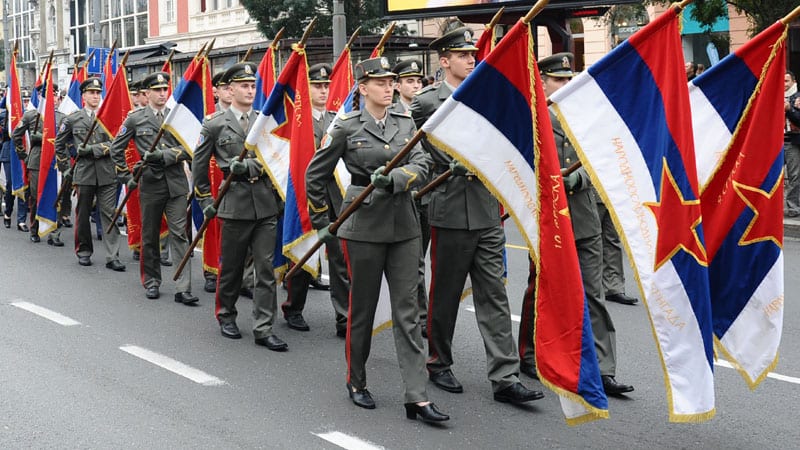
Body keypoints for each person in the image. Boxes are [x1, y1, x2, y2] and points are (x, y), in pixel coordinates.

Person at [305, 57, 448, 423]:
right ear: (363, 87)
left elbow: (423, 164)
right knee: (363, 309)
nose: (388, 87)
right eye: (381, 82)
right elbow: (315, 175)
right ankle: (356, 381)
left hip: (404, 226)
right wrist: (323, 222)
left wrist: (397, 179)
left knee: (408, 311)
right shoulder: (346, 126)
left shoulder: (405, 122)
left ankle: (416, 396)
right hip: (363, 226)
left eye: (391, 82)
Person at [411, 27, 543, 405]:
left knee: (494, 294)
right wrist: (450, 161)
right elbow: (420, 148)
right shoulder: (426, 102)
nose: (471, 60)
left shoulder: (487, 94)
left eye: (472, 54)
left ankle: (505, 376)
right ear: (444, 61)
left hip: (486, 208)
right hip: (450, 207)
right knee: (446, 294)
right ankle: (438, 361)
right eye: (462, 55)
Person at [538, 52, 634, 395]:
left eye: (569, 79)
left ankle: (603, 370)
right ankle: (536, 357)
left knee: (593, 296)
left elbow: (602, 159)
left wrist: (578, 178)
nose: (566, 85)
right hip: (550, 221)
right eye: (558, 80)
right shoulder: (532, 119)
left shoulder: (586, 117)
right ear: (542, 83)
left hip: (585, 217)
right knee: (545, 295)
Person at [193, 62, 288, 351]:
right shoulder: (214, 123)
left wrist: (250, 167)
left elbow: (277, 159)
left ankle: (263, 327)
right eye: (244, 86)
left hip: (265, 204)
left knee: (265, 270)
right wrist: (205, 200)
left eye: (252, 86)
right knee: (232, 268)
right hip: (233, 204)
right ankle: (226, 314)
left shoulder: (264, 122)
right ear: (230, 89)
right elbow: (199, 167)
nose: (249, 91)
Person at [110, 71, 198, 304]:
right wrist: (125, 175)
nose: (162, 94)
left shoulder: (176, 117)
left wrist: (166, 156)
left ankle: (183, 287)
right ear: (147, 93)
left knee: (180, 235)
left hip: (176, 184)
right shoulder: (135, 118)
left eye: (164, 89)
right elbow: (116, 148)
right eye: (157, 90)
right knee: (149, 235)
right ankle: (151, 281)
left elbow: (190, 148)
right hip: (150, 184)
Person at [280, 62, 349, 336]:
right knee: (302, 254)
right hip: (305, 197)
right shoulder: (297, 122)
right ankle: (294, 308)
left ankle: (344, 317)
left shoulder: (337, 119)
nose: (323, 91)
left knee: (340, 259)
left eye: (325, 86)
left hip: (335, 196)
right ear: (305, 89)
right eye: (316, 86)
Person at [55, 77, 124, 270]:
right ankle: (84, 251)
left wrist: (94, 150)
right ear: (83, 96)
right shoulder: (72, 119)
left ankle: (113, 256)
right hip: (84, 173)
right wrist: (65, 168)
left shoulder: (108, 117)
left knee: (109, 214)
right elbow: (59, 144)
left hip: (107, 172)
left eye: (98, 93)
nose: (95, 96)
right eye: (91, 93)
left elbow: (116, 143)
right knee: (83, 214)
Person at [392, 58, 430, 336]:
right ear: (397, 86)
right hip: (402, 195)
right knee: (412, 262)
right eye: (409, 81)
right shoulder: (390, 113)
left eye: (418, 81)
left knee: (422, 260)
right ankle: (418, 316)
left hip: (427, 192)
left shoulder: (429, 110)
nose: (415, 86)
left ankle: (421, 314)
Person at [12, 83, 67, 245]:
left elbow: (67, 140)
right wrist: (24, 156)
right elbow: (16, 135)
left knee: (57, 196)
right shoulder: (31, 116)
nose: (53, 98)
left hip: (56, 162)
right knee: (37, 196)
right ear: (40, 96)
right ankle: (35, 229)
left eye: (55, 95)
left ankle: (54, 233)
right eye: (49, 94)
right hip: (37, 162)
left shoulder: (62, 117)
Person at [595, 191, 638, 305]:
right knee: (588, 241)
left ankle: (613, 287)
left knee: (612, 239)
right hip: (589, 192)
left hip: (613, 193)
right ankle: (583, 287)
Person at [1, 105, 29, 230]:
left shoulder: (29, 115)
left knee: (23, 184)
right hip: (8, 152)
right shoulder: (4, 114)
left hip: (23, 151)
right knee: (10, 184)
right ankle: (8, 213)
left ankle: (21, 220)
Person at [784, 71, 800, 217]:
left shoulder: (798, 97)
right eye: (781, 81)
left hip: (791, 142)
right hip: (774, 142)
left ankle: (793, 208)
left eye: (786, 81)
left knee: (794, 176)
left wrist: (789, 110)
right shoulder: (773, 96)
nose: (784, 84)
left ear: (794, 82)